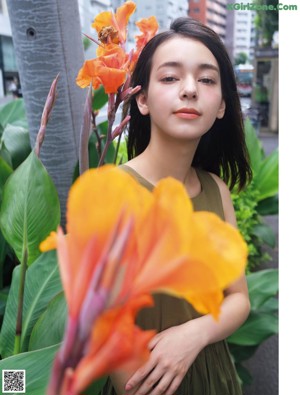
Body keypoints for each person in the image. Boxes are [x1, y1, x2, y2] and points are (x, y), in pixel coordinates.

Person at [101, 16, 252, 395]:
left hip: (215, 375)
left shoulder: (215, 190)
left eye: (206, 79)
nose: (189, 90)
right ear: (143, 99)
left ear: (221, 106)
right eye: (170, 78)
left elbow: (238, 299)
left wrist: (193, 334)